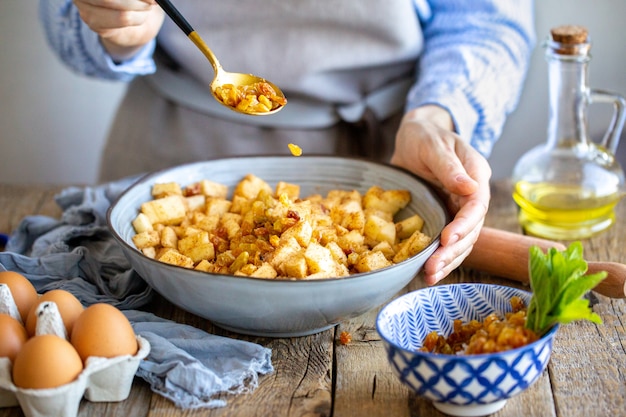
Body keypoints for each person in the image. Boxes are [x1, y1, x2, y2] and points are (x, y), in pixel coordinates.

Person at [39, 0, 535, 285]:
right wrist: (114, 27)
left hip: (389, 143)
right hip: (176, 141)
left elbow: (487, 18)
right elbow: (64, 15)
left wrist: (435, 115)